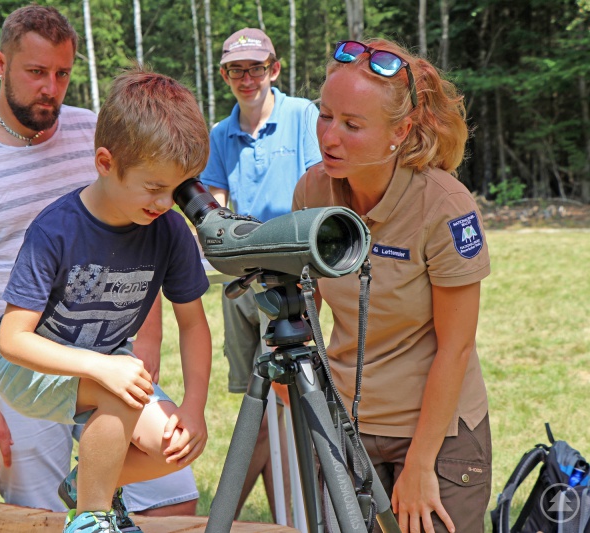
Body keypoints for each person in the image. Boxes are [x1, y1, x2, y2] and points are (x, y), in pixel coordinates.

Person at [0, 3, 199, 523]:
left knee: (171, 498)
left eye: (63, 73)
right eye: (36, 72)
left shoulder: (96, 133)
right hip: (18, 357)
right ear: (1, 64)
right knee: (39, 514)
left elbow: (137, 242)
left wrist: (147, 343)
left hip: (106, 347)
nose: (51, 87)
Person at [0, 67, 212, 533]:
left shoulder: (169, 230)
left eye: (176, 190)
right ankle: (92, 518)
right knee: (119, 386)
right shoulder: (55, 229)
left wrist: (193, 409)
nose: (165, 203)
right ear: (105, 163)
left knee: (174, 444)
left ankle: (87, 486)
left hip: (107, 366)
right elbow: (12, 340)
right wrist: (99, 366)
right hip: (27, 368)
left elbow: (193, 324)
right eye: (154, 188)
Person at [292, 38, 491, 533]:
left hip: (436, 435)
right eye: (325, 116)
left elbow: (456, 346)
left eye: (352, 125)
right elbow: (304, 304)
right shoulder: (313, 191)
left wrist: (420, 465)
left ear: (399, 132)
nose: (329, 137)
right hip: (346, 424)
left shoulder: (444, 206)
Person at [199, 27, 322, 521]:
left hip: (296, 277)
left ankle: (252, 515)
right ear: (224, 75)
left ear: (274, 69)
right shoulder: (219, 134)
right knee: (263, 402)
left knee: (294, 401)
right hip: (242, 283)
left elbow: (319, 186)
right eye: (236, 70)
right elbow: (215, 200)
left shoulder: (303, 116)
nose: (246, 79)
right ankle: (282, 518)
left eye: (255, 68)